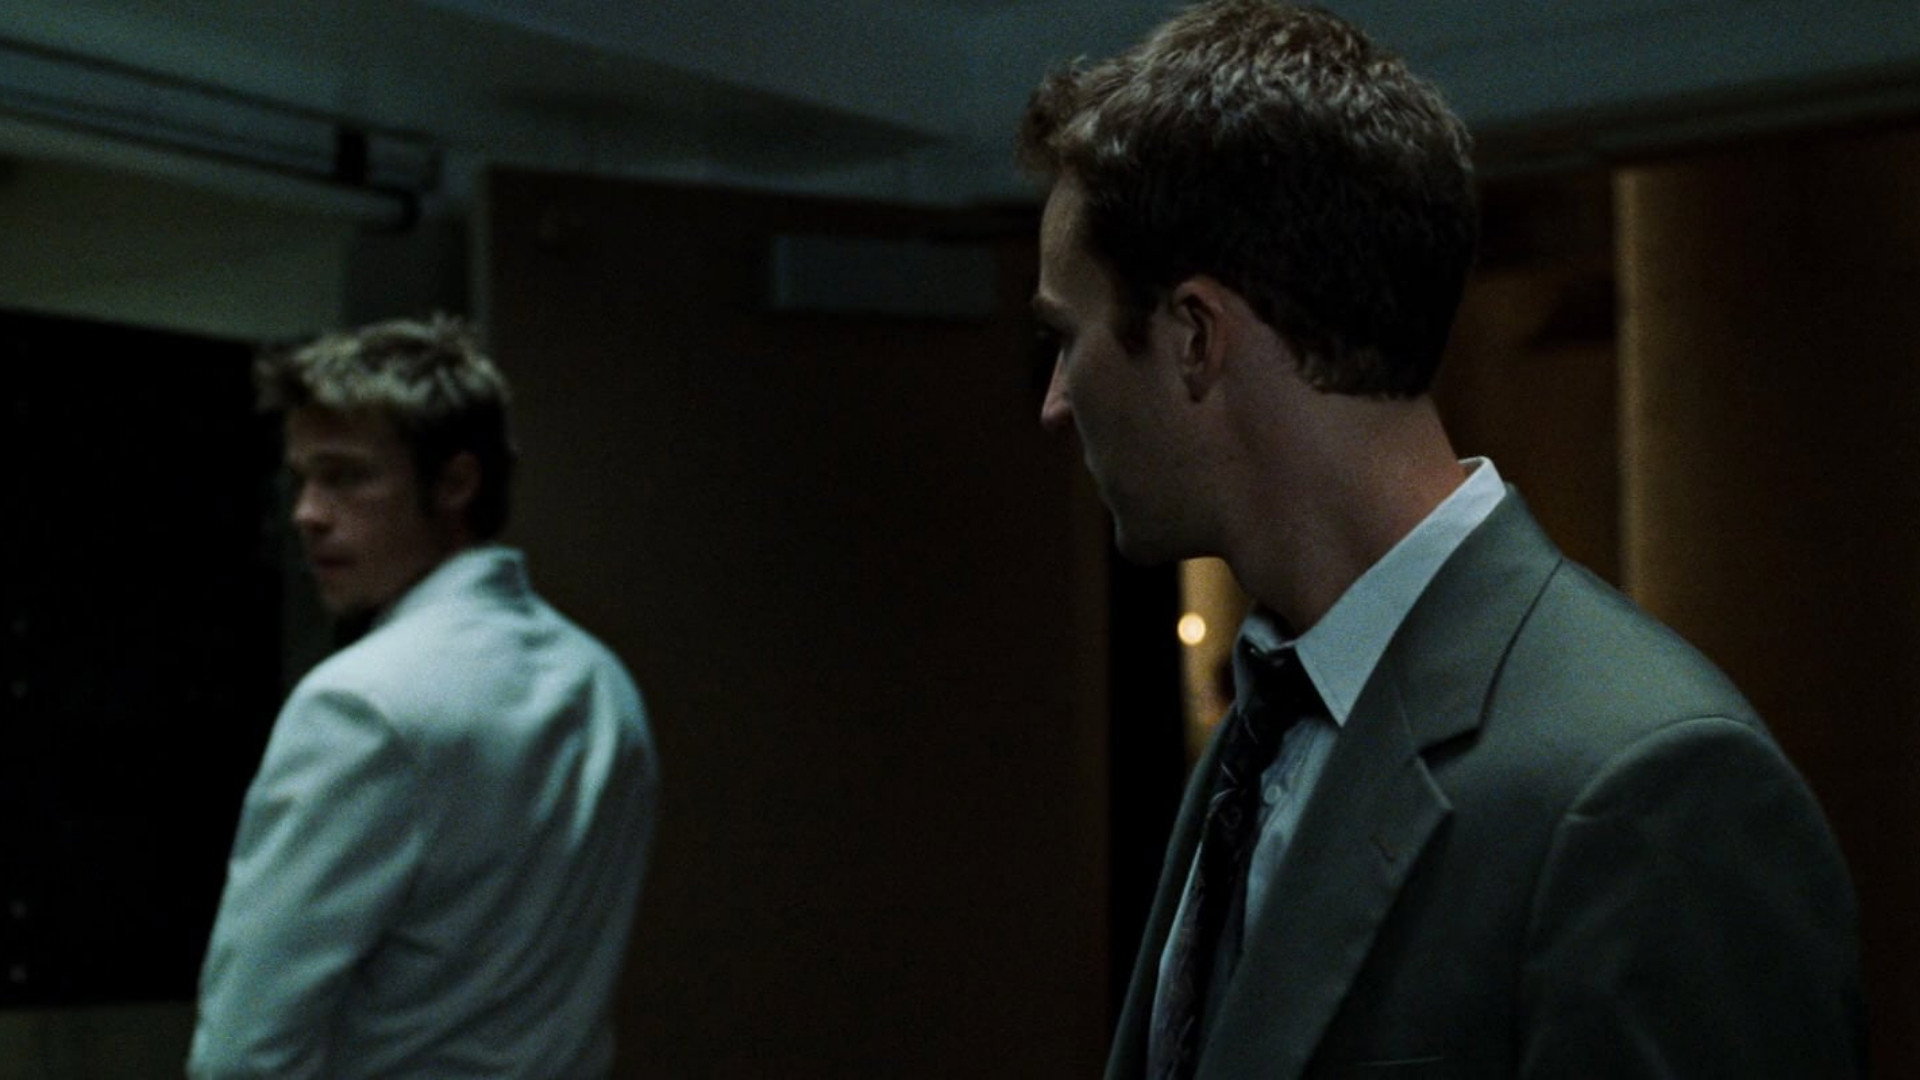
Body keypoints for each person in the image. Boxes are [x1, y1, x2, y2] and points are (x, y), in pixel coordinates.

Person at [1018, 3, 1864, 1076]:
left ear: (1194, 337)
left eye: (1068, 338)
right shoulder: (1261, 735)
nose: (1056, 404)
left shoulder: (1647, 787)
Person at [189, 316, 659, 1078]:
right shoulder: (602, 683)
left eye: (345, 476)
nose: (308, 511)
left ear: (455, 483)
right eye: (302, 477)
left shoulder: (360, 704)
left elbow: (247, 1050)